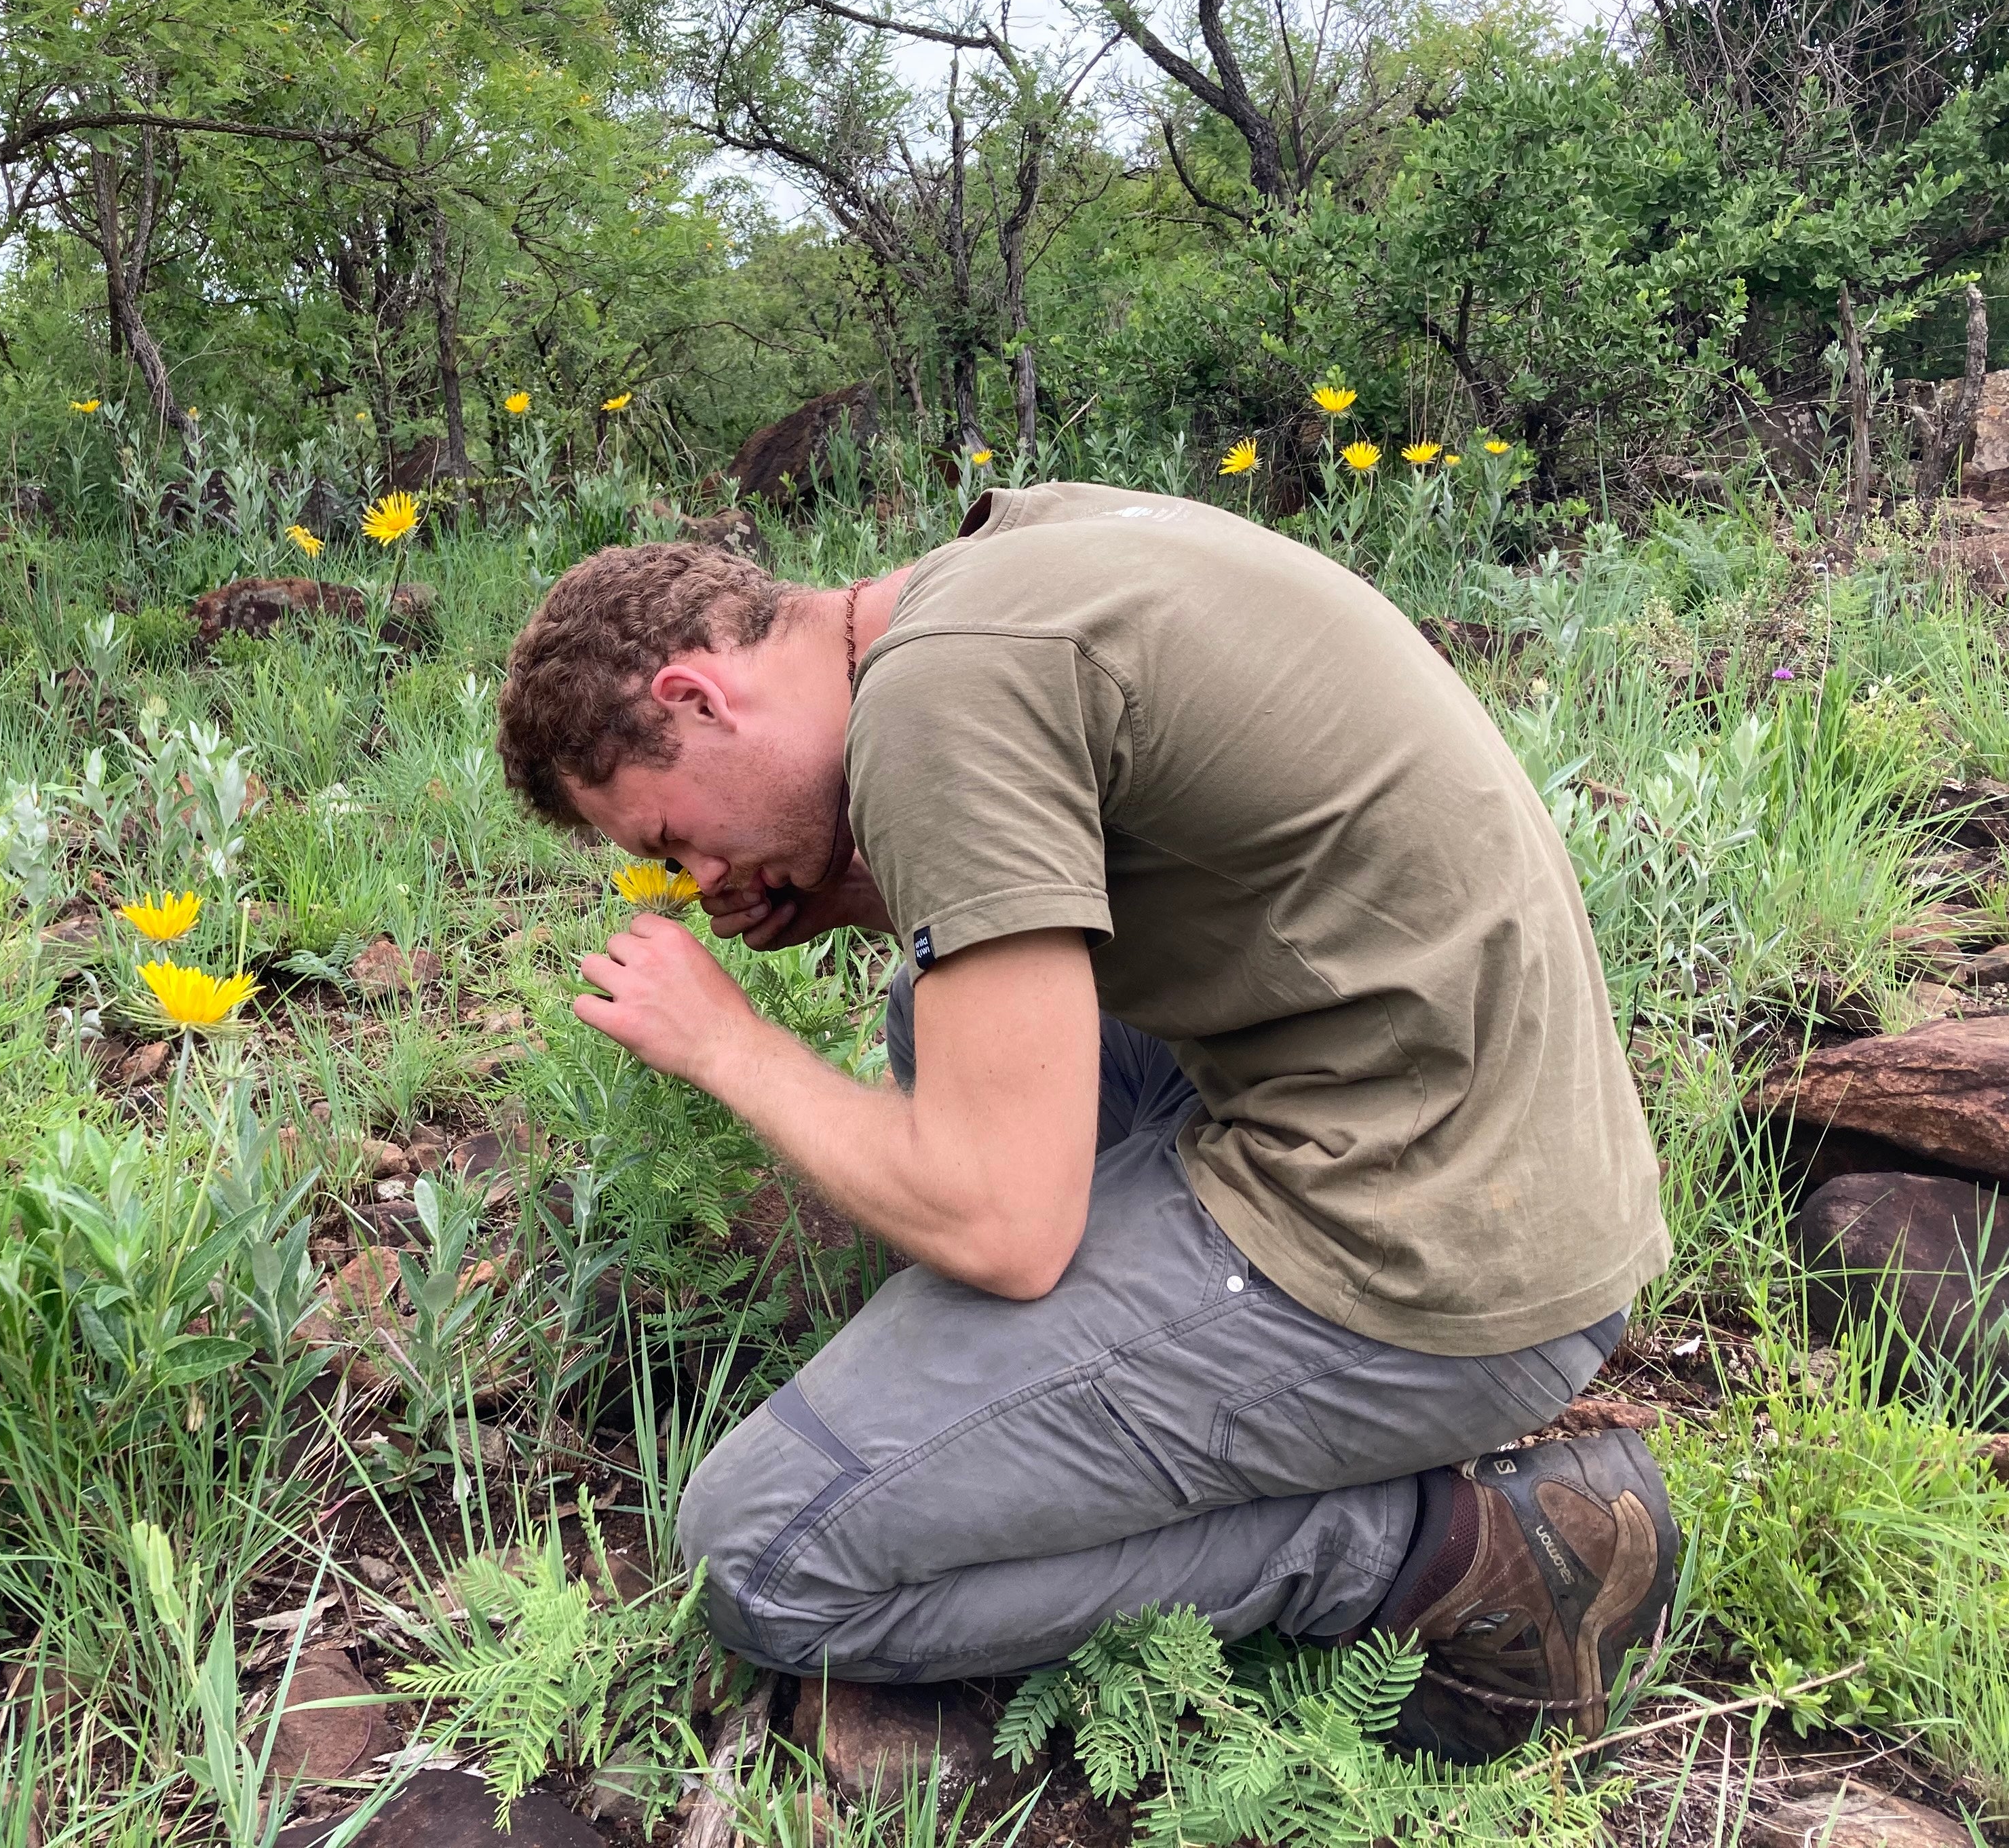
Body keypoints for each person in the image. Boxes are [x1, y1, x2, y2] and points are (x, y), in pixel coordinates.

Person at [491, 481, 1678, 1761]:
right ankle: (1096, 1378)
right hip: (1504, 1145)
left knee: (763, 1551)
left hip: (1432, 1260)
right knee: (923, 1009)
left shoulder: (935, 707)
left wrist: (725, 1043)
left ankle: (1444, 1554)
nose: (699, 881)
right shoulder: (1007, 565)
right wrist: (866, 887)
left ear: (694, 699)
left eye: (674, 839)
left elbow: (1008, 1230)